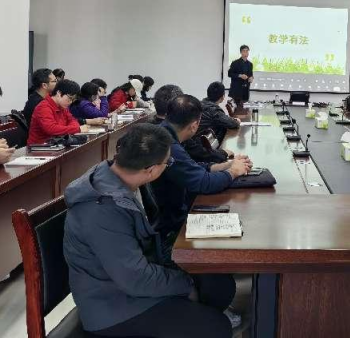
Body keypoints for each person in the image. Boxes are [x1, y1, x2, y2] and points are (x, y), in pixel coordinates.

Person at [63, 123, 235, 338]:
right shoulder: (101, 210)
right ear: (151, 169)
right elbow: (135, 279)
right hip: (113, 305)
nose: (168, 166)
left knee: (218, 284)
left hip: (132, 280)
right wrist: (186, 283)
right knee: (216, 327)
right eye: (167, 162)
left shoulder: (123, 176)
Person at [152, 95, 252, 245]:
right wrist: (233, 173)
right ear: (194, 125)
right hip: (173, 225)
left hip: (171, 210)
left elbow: (191, 166)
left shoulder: (166, 132)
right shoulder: (169, 145)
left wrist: (226, 165)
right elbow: (204, 183)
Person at [184, 82, 241, 165]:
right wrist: (237, 121)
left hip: (195, 147)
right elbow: (232, 124)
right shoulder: (213, 110)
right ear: (222, 97)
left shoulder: (200, 103)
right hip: (205, 151)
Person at [28, 80, 96, 145]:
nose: (70, 102)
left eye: (73, 100)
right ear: (59, 93)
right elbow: (51, 129)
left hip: (57, 144)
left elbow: (73, 121)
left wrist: (72, 128)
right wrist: (77, 129)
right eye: (70, 98)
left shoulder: (62, 107)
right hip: (40, 147)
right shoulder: (43, 107)